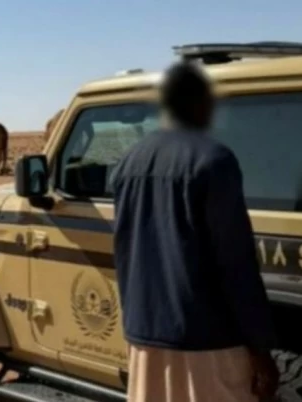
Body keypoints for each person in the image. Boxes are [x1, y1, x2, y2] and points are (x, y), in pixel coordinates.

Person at [111, 61, 280, 402]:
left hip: (144, 336)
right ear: (199, 103)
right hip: (207, 341)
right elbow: (235, 263)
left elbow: (127, 249)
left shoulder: (129, 161)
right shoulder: (214, 160)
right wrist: (260, 348)